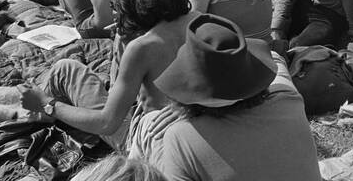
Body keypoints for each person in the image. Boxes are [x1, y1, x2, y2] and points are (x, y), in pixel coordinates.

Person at [17, 0, 200, 150]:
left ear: (128, 4)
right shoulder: (202, 22)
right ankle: (26, 105)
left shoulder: (142, 47)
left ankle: (30, 107)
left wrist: (48, 104)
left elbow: (107, 123)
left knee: (65, 70)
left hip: (150, 139)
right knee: (66, 69)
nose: (114, 14)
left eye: (114, 7)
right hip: (193, 121)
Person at [128, 14, 321, 181]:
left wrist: (182, 111)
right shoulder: (289, 98)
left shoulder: (181, 138)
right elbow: (274, 58)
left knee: (149, 123)